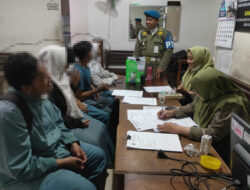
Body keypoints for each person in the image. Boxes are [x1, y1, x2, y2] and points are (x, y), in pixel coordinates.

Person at [0, 53, 107, 190]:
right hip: (29, 176)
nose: (50, 79)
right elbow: (21, 168)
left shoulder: (40, 97)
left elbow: (58, 122)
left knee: (98, 157)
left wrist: (72, 142)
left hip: (55, 151)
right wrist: (61, 162)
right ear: (27, 87)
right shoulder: (9, 115)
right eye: (44, 77)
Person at [38, 45, 114, 165]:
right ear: (56, 61)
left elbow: (69, 97)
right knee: (97, 134)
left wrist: (74, 87)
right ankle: (102, 160)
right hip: (68, 122)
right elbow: (58, 116)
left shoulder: (61, 76)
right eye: (65, 63)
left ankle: (110, 158)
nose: (68, 66)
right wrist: (78, 122)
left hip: (73, 115)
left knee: (102, 126)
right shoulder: (48, 85)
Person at [157, 67, 250, 165]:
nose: (196, 94)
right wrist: (172, 112)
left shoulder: (231, 104)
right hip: (203, 142)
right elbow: (193, 106)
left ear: (211, 88)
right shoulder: (211, 93)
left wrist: (176, 129)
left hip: (220, 152)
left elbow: (212, 133)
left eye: (198, 92)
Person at [73, 41, 114, 115]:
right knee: (108, 112)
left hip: (91, 95)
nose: (92, 54)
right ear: (86, 55)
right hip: (85, 100)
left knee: (113, 98)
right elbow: (79, 96)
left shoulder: (86, 66)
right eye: (90, 52)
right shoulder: (79, 72)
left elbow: (88, 83)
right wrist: (97, 90)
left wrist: (94, 88)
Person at [133, 9, 174, 79]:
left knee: (157, 87)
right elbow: (137, 51)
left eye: (150, 20)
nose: (147, 22)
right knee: (141, 87)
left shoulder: (166, 33)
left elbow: (169, 51)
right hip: (142, 66)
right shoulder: (141, 33)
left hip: (157, 68)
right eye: (146, 20)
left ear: (157, 20)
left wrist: (161, 67)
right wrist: (134, 65)